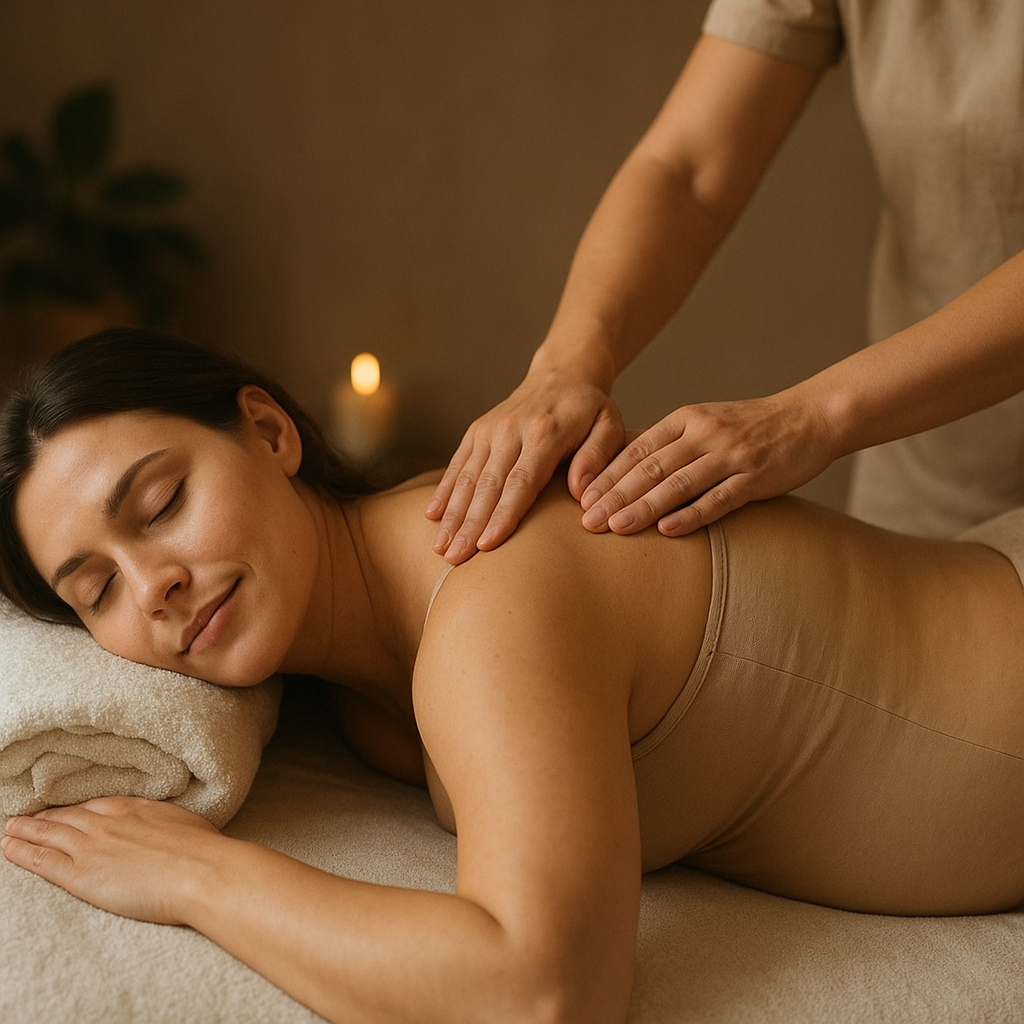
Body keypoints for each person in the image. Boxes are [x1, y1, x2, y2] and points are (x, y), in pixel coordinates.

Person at [2, 332, 1023, 1024]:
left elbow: (544, 992)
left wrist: (196, 875)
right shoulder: (351, 674)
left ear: (270, 433)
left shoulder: (488, 605)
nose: (155, 585)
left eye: (163, 503)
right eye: (97, 589)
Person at [426, 1, 1024, 566]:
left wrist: (813, 416)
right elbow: (687, 170)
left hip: (890, 418)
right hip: (927, 464)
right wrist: (565, 365)